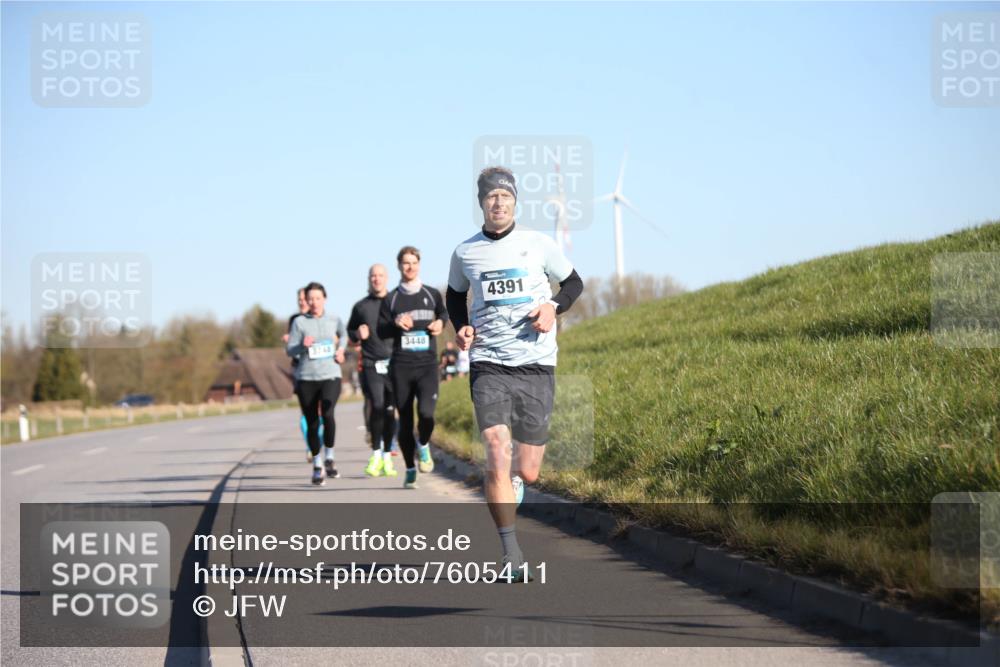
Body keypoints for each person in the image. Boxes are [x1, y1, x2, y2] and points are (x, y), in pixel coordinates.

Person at [447, 166, 583, 582]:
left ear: (515, 202)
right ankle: (511, 554)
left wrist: (552, 307)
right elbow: (454, 296)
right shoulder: (464, 252)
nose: (498, 203)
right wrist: (462, 326)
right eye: (491, 198)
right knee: (494, 448)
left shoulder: (538, 244)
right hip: (489, 362)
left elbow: (574, 283)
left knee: (528, 470)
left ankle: (517, 484)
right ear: (481, 204)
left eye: (505, 196)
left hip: (537, 363)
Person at [377, 246, 449, 489]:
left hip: (428, 365)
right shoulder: (392, 298)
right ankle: (409, 468)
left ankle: (425, 444)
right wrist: (396, 322)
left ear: (419, 264)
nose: (410, 267)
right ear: (399, 266)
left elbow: (444, 314)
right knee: (405, 422)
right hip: (402, 367)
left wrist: (440, 322)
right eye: (405, 263)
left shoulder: (431, 294)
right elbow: (381, 330)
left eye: (414, 262)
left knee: (427, 414)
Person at [286, 281, 348, 486]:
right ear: (306, 300)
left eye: (318, 298)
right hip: (307, 378)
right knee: (312, 422)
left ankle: (329, 455)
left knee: (328, 414)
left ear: (325, 299)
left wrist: (341, 350)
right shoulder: (299, 323)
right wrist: (301, 346)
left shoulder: (334, 319)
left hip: (330, 374)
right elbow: (290, 350)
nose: (314, 302)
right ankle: (317, 463)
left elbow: (345, 334)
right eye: (310, 299)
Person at [348, 264, 398, 478]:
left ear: (386, 278)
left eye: (380, 275)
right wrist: (357, 333)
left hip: (394, 363)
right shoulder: (361, 306)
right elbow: (350, 333)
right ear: (369, 279)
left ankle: (387, 455)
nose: (376, 279)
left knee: (390, 410)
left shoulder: (396, 302)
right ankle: (376, 453)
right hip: (371, 363)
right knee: (376, 405)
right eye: (373, 276)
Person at [283, 287, 320, 462]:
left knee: (321, 411)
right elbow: (292, 344)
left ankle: (318, 442)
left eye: (304, 299)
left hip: (320, 368)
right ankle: (310, 446)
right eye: (299, 300)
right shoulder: (294, 320)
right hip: (300, 368)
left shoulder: (319, 317)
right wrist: (289, 341)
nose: (302, 302)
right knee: (306, 411)